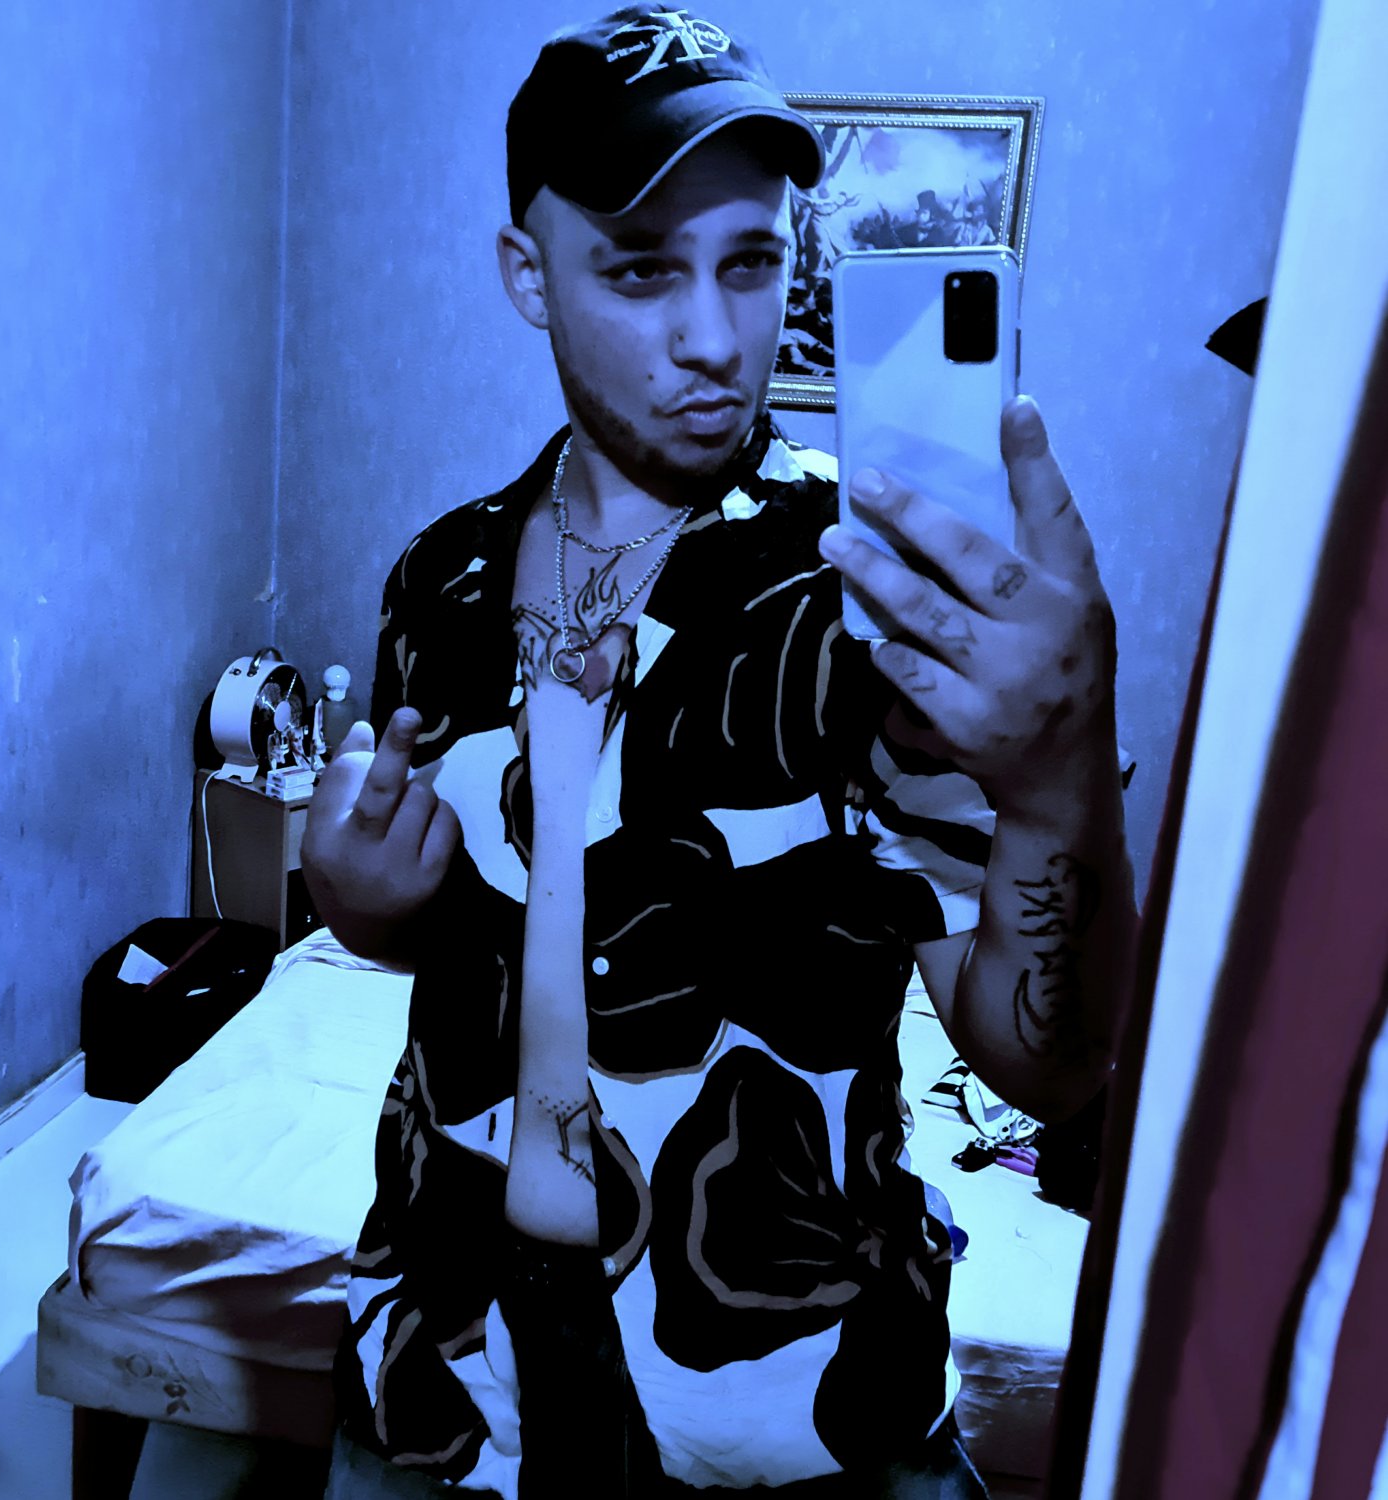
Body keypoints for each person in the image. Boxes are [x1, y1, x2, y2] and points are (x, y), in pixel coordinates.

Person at [302, 8, 1136, 1496]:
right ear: (528, 275)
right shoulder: (439, 582)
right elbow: (476, 931)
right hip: (452, 1365)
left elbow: (1049, 1062)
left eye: (750, 263)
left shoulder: (871, 597)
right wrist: (366, 906)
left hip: (784, 1411)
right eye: (641, 269)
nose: (713, 338)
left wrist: (1063, 775)